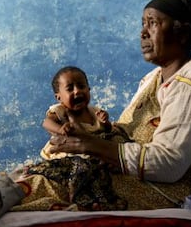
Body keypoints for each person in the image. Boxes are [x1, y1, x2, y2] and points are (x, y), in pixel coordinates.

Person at [11, 0, 191, 211]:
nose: (143, 32)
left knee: (66, 182)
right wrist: (87, 138)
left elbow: (169, 164)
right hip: (135, 173)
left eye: (153, 23)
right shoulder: (153, 78)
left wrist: (90, 144)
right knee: (47, 173)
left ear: (183, 32)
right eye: (143, 23)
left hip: (174, 187)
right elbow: (127, 134)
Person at [23, 66, 130, 210]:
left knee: (112, 146)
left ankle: (102, 198)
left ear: (89, 89)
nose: (77, 91)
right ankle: (81, 199)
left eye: (81, 86)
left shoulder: (93, 111)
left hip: (91, 151)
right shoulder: (60, 111)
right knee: (81, 169)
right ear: (58, 97)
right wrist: (60, 129)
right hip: (68, 153)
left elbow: (104, 130)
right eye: (70, 88)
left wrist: (105, 123)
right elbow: (46, 123)